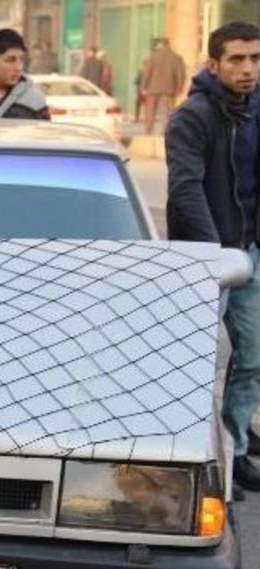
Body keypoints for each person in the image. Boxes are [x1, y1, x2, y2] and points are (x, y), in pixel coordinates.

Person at [166, 21, 260, 495]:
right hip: (205, 259)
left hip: (251, 252)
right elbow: (185, 189)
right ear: (214, 64)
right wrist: (213, 252)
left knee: (253, 357)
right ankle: (205, 466)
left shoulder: (256, 111)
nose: (248, 69)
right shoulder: (192, 117)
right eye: (237, 60)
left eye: (255, 59)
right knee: (196, 369)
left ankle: (239, 450)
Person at [144, 38, 187, 133]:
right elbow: (180, 74)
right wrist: (180, 88)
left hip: (153, 88)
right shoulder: (176, 57)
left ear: (161, 45)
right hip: (169, 89)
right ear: (168, 45)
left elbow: (147, 72)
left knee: (150, 111)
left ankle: (148, 131)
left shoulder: (154, 56)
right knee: (166, 112)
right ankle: (166, 132)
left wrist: (144, 87)